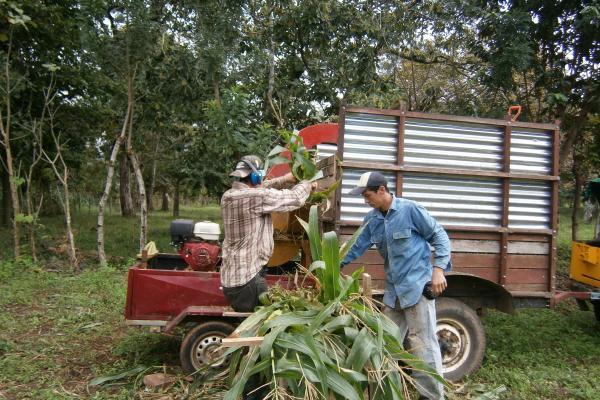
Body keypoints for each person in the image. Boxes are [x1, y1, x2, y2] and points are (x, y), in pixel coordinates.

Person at [340, 171, 451, 400]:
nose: (365, 200)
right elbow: (355, 247)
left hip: (417, 288)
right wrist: (333, 264)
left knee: (422, 346)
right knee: (386, 345)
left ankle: (431, 396)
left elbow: (439, 235)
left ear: (382, 190)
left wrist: (438, 269)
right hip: (394, 293)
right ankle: (388, 393)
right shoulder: (372, 219)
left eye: (367, 195)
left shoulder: (410, 210)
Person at [220, 155, 316, 312]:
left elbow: (262, 189)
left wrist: (284, 179)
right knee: (262, 330)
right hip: (248, 282)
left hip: (238, 280)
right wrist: (307, 184)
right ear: (255, 176)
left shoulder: (230, 196)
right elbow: (294, 198)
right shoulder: (253, 198)